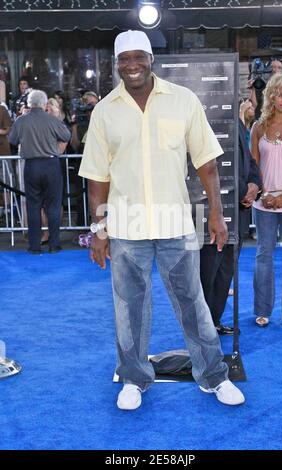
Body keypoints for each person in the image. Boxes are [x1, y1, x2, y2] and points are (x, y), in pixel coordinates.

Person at [79, 30, 245, 410]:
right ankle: (134, 378)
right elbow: (96, 179)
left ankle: (213, 376)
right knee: (129, 307)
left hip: (176, 225)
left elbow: (207, 163)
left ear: (152, 59)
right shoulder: (105, 111)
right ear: (116, 63)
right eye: (125, 59)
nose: (132, 65)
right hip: (125, 228)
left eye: (139, 57)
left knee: (193, 304)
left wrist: (218, 216)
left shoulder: (183, 100)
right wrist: (98, 230)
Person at [199, 117, 262, 335]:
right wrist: (245, 189)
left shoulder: (238, 122)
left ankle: (214, 321)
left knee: (226, 270)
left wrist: (255, 185)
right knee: (207, 271)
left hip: (238, 211)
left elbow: (250, 162)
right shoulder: (208, 121)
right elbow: (215, 166)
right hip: (210, 212)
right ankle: (202, 327)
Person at [250, 73, 282, 329]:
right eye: (280, 94)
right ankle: (262, 310)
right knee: (263, 256)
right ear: (271, 95)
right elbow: (253, 164)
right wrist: (262, 194)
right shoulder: (259, 126)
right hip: (264, 204)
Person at [8, 89, 71, 254]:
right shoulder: (51, 120)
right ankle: (54, 244)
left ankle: (34, 246)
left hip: (31, 166)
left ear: (29, 104)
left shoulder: (22, 121)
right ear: (44, 104)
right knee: (53, 206)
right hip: (51, 165)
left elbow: (12, 140)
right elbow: (66, 135)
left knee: (33, 206)